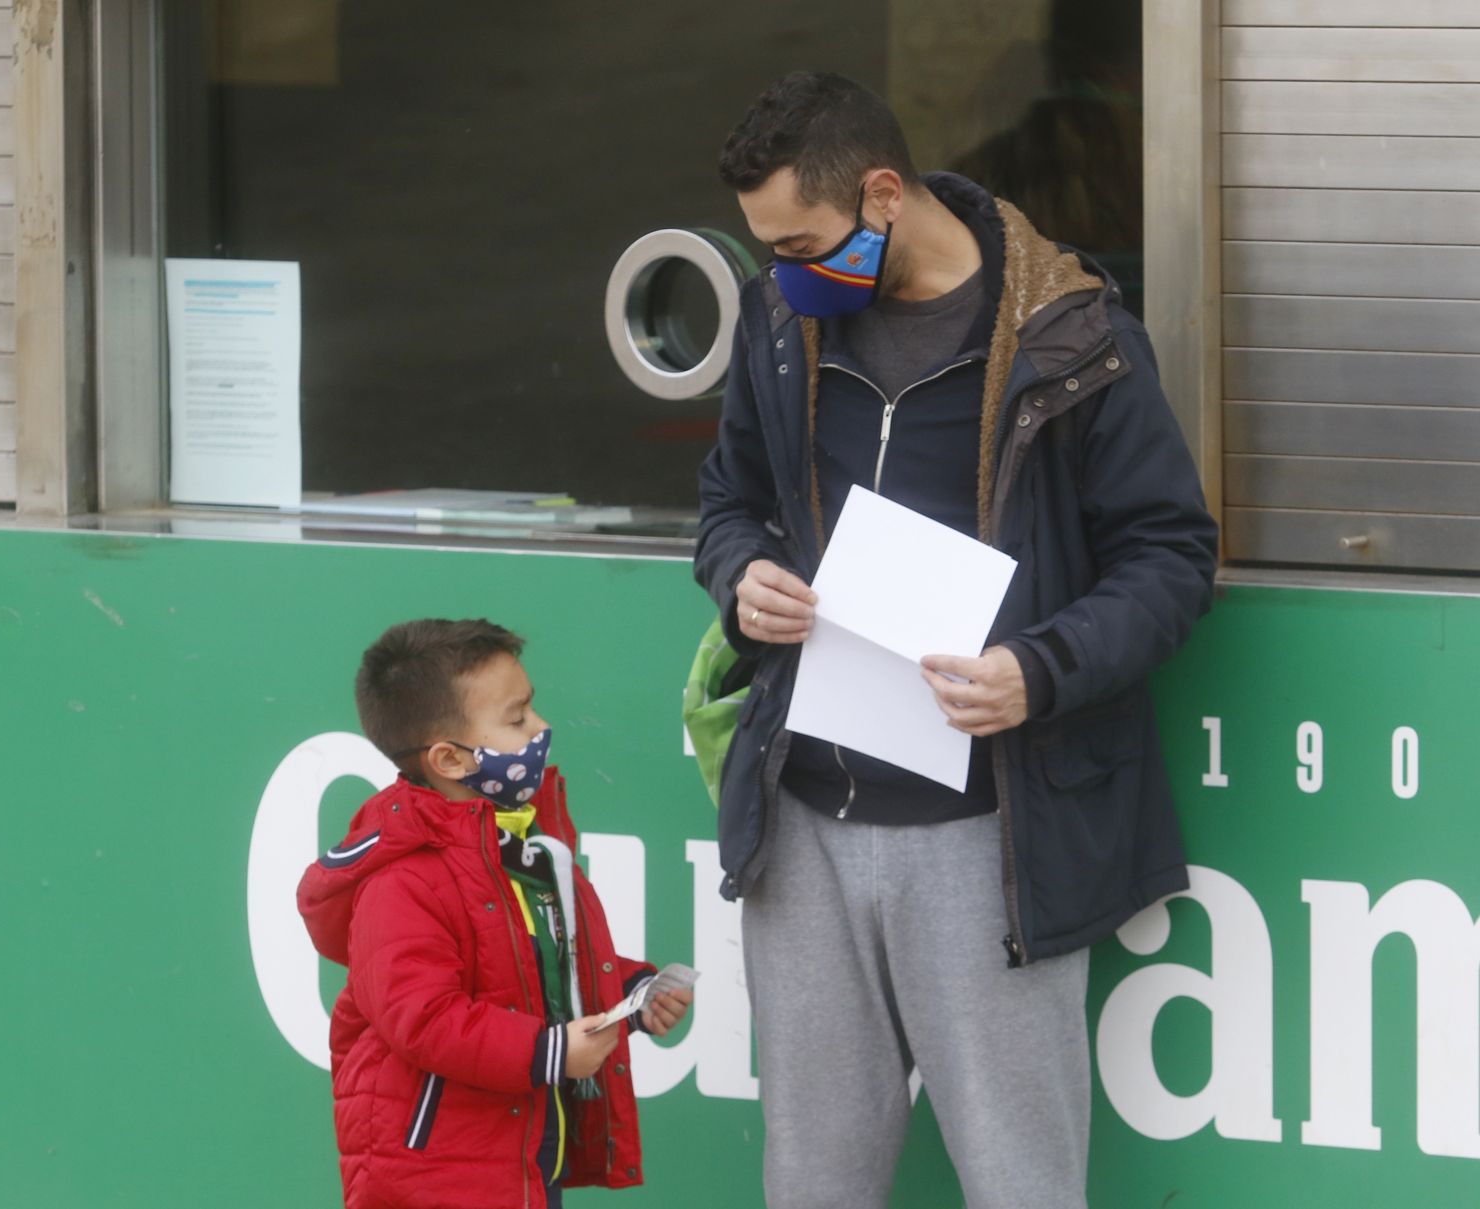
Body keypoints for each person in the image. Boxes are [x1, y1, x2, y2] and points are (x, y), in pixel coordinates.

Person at [694, 71, 1218, 1208]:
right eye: (767, 248)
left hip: (992, 830)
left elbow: (1171, 557)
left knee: (1022, 1183)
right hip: (804, 818)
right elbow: (726, 502)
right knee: (812, 1184)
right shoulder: (781, 319)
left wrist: (1040, 670)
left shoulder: (1072, 332)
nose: (781, 271)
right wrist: (743, 580)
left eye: (801, 240)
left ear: (884, 193)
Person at [298, 618, 691, 1209]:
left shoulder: (521, 842)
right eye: (517, 719)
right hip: (437, 1179)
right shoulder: (400, 879)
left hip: (524, 1160)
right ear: (450, 759)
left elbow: (542, 964)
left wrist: (627, 995)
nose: (541, 728)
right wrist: (551, 1051)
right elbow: (423, 1018)